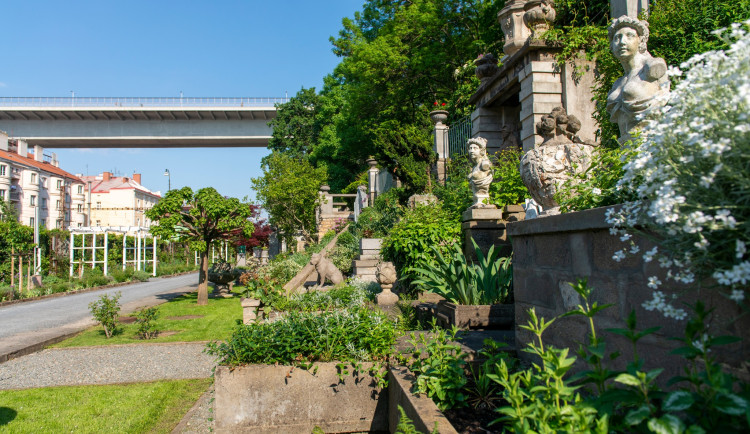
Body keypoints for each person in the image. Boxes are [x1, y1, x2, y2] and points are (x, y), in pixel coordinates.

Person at [606, 16, 669, 143]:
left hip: (650, 145)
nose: (622, 42)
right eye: (617, 38)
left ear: (641, 41)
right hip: (625, 148)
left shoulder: (653, 67)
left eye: (629, 36)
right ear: (612, 46)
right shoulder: (618, 83)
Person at [467, 137, 494, 208]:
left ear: (481, 150)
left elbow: (479, 176)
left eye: (475, 148)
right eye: (470, 148)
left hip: (483, 199)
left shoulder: (485, 164)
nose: (471, 151)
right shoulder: (474, 167)